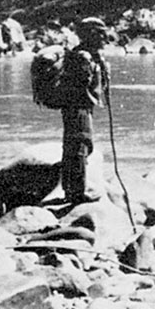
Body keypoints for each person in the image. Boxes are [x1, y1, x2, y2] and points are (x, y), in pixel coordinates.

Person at [60, 17, 111, 204]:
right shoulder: (82, 57)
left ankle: (71, 189)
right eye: (100, 34)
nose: (104, 38)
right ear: (90, 34)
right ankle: (77, 192)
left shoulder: (86, 54)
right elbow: (81, 86)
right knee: (80, 145)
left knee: (75, 146)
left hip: (79, 106)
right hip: (77, 107)